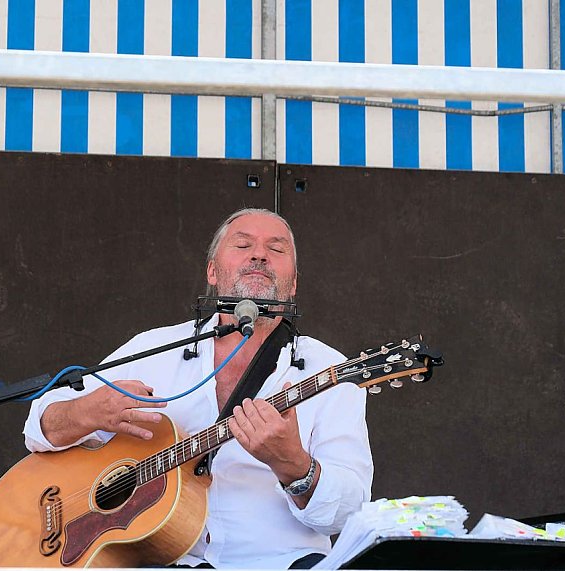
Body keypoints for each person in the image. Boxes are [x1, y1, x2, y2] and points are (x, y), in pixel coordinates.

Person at [23, 208, 373, 569]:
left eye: (276, 248)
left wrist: (295, 467)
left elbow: (348, 513)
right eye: (242, 244)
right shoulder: (154, 349)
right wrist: (85, 411)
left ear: (294, 282)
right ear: (212, 271)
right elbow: (38, 428)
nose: (259, 254)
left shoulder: (332, 370)